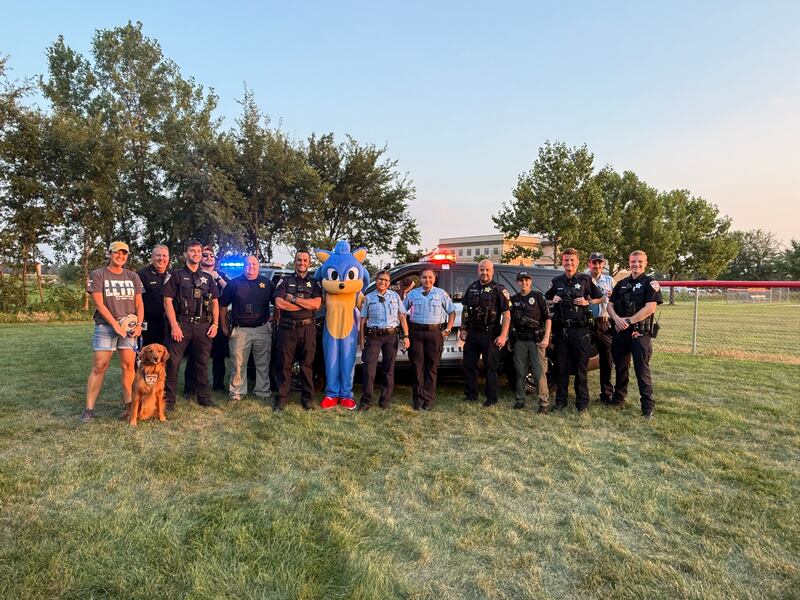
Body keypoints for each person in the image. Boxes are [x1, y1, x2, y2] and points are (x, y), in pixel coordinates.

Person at [81, 241, 144, 422]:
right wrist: (115, 325)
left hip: (129, 328)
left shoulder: (132, 276)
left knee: (128, 367)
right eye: (117, 253)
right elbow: (99, 303)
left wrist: (139, 324)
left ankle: (129, 407)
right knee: (100, 366)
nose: (120, 256)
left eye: (124, 254)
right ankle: (89, 409)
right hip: (106, 327)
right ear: (109, 254)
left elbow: (139, 303)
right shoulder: (98, 274)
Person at [161, 240, 220, 409]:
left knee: (201, 363)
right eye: (192, 251)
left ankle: (204, 398)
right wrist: (174, 326)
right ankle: (169, 401)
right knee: (173, 363)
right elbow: (167, 301)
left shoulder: (208, 278)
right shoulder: (176, 276)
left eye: (198, 252)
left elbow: (215, 302)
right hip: (182, 324)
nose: (196, 254)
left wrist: (215, 324)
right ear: (185, 254)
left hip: (203, 326)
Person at [545, 248, 604, 413]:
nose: (569, 263)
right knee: (561, 368)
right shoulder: (557, 281)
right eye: (566, 260)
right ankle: (560, 402)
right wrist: (552, 300)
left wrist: (587, 302)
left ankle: (582, 403)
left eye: (572, 260)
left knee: (580, 369)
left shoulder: (585, 280)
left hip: (581, 331)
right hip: (562, 331)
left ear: (577, 262)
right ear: (562, 262)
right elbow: (545, 299)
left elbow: (601, 297)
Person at [607, 250, 663, 418]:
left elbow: (650, 307)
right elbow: (610, 305)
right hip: (621, 332)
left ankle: (647, 407)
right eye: (633, 261)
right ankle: (618, 399)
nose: (636, 264)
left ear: (645, 263)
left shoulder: (650, 283)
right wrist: (617, 319)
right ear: (629, 263)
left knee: (642, 370)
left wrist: (629, 321)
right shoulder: (621, 283)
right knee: (621, 368)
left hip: (640, 333)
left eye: (639, 262)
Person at [219, 255, 275, 404]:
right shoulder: (234, 284)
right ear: (244, 267)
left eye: (254, 264)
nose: (251, 266)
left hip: (262, 329)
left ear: (258, 266)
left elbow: (278, 303)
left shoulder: (267, 283)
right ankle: (236, 393)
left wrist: (275, 319)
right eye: (248, 264)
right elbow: (222, 306)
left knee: (263, 363)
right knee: (238, 364)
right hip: (240, 330)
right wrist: (224, 326)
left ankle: (262, 391)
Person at [273, 250, 323, 411]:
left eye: (305, 260)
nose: (302, 263)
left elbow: (316, 305)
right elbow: (280, 303)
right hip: (287, 328)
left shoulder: (315, 283)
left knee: (307, 364)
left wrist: (293, 299)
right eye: (299, 260)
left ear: (309, 263)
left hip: (308, 329)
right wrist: (304, 303)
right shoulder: (285, 281)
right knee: (284, 364)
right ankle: (282, 398)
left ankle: (307, 398)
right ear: (295, 262)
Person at [459, 260, 511, 407]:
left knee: (491, 367)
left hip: (491, 334)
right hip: (473, 333)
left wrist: (503, 335)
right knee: (469, 365)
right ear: (478, 270)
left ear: (492, 271)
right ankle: (471, 395)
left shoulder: (499, 289)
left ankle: (491, 398)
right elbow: (465, 310)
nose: (485, 273)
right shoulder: (472, 288)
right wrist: (463, 328)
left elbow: (507, 315)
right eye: (482, 270)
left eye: (487, 270)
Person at [404, 268, 456, 410]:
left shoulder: (441, 294)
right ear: (420, 279)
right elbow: (402, 313)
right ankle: (418, 399)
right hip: (416, 333)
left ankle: (428, 399)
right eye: (424, 277)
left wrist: (447, 330)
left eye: (430, 277)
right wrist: (406, 333)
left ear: (434, 279)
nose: (427, 280)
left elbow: (452, 312)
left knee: (431, 367)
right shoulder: (412, 294)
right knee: (416, 367)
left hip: (434, 334)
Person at [358, 270, 410, 411]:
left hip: (390, 337)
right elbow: (363, 320)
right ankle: (366, 401)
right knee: (369, 370)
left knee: (388, 370)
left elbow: (402, 317)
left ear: (389, 282)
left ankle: (385, 401)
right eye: (381, 279)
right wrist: (361, 340)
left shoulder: (395, 296)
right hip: (373, 336)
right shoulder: (368, 298)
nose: (383, 282)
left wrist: (406, 335)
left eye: (386, 280)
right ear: (376, 280)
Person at [184, 245, 229, 393]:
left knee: (219, 355)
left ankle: (218, 385)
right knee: (195, 355)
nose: (209, 258)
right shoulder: (193, 274)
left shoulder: (220, 274)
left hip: (217, 321)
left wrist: (218, 278)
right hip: (199, 320)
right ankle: (190, 387)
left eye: (212, 256)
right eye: (205, 255)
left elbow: (232, 290)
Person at [509, 271, 552, 413]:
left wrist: (546, 338)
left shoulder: (538, 297)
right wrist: (510, 339)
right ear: (517, 282)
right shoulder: (513, 299)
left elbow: (547, 318)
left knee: (539, 372)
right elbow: (509, 321)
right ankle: (520, 400)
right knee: (520, 373)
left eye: (526, 280)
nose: (524, 282)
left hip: (536, 341)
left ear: (531, 281)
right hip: (520, 341)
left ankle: (543, 403)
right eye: (521, 280)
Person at [586, 252, 615, 404]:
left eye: (599, 263)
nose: (596, 266)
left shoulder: (610, 281)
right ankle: (582, 394)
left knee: (606, 359)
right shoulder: (583, 279)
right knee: (581, 358)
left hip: (603, 322)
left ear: (603, 264)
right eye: (594, 263)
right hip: (586, 323)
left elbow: (616, 301)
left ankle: (607, 394)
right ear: (588, 264)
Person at [137, 244, 171, 348]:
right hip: (148, 323)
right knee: (144, 355)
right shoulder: (141, 275)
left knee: (165, 355)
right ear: (152, 257)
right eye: (158, 255)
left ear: (168, 258)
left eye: (164, 256)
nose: (161, 259)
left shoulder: (173, 275)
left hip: (168, 323)